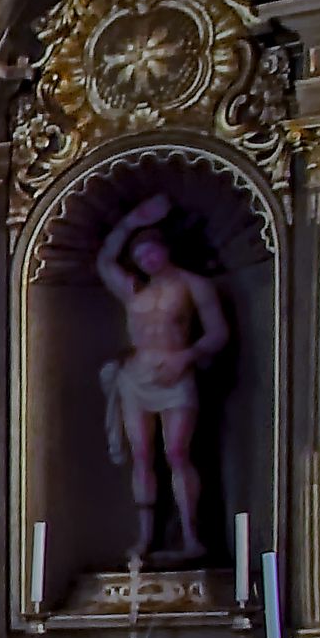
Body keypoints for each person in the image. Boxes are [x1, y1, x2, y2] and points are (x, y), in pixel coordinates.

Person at [96, 194, 229, 564]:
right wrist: (133, 220)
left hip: (176, 374)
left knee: (177, 453)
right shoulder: (134, 290)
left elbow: (218, 333)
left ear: (165, 250)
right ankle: (144, 538)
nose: (148, 260)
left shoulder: (192, 284)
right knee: (141, 455)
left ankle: (191, 535)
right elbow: (104, 261)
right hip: (137, 376)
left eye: (152, 252)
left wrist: (186, 356)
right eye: (141, 257)